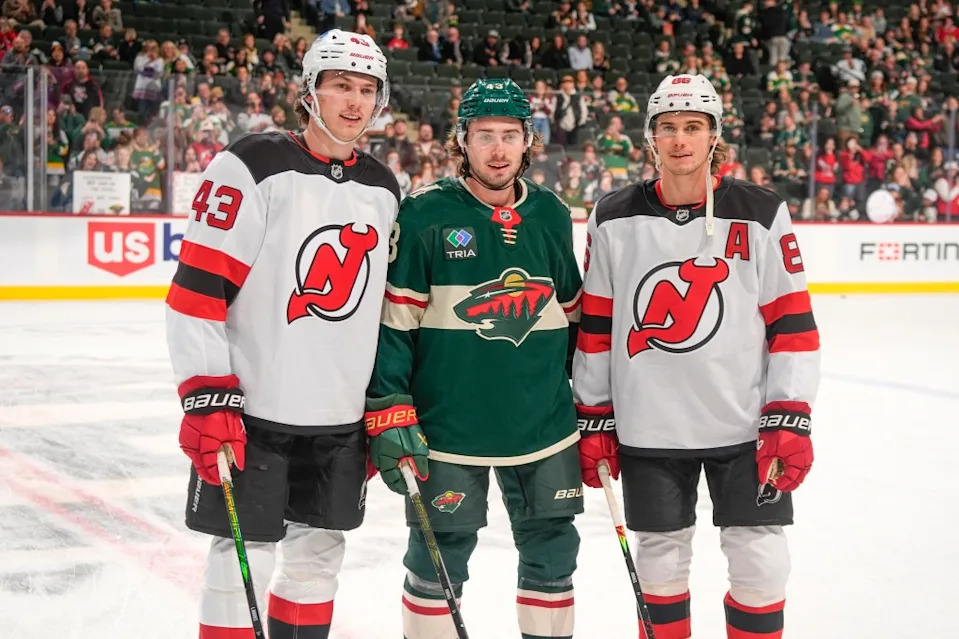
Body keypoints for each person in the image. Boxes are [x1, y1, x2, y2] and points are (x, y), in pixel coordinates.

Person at [165, 29, 399, 639]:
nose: (354, 101)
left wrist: (379, 403)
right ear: (309, 91)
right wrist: (206, 390)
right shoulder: (251, 164)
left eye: (366, 89)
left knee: (319, 559)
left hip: (339, 417)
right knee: (239, 564)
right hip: (256, 411)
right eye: (340, 86)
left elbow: (378, 308)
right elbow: (196, 292)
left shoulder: (382, 185)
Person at [572, 73, 820, 639]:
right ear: (650, 138)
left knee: (761, 567)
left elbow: (793, 324)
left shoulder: (760, 212)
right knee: (659, 567)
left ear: (714, 137)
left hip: (744, 427)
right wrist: (593, 415)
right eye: (668, 128)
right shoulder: (612, 216)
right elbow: (598, 329)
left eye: (693, 127)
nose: (680, 140)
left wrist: (791, 413)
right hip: (648, 431)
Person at [366, 78, 584, 639]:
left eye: (510, 135)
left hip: (544, 426)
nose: (497, 148)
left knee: (553, 552)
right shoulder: (423, 216)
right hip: (448, 426)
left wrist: (587, 402)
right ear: (461, 141)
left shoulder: (553, 215)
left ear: (527, 142)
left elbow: (575, 318)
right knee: (439, 554)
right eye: (484, 135)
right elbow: (395, 324)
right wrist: (391, 406)